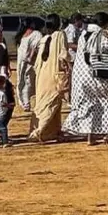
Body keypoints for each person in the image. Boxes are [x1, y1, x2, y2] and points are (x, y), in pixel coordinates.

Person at [63, 12, 108, 145]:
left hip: (80, 76)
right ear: (105, 24)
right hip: (97, 75)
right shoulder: (101, 35)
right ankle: (105, 133)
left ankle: (88, 136)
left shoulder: (83, 35)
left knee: (89, 104)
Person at [29, 14, 71, 143]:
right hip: (53, 75)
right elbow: (63, 54)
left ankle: (53, 131)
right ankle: (39, 131)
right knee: (50, 104)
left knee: (50, 104)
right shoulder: (60, 35)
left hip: (42, 76)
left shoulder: (44, 38)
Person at [15, 17, 43, 112]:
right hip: (21, 63)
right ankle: (25, 102)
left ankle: (28, 102)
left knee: (29, 81)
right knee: (22, 81)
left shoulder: (35, 34)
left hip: (30, 63)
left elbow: (36, 47)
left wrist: (31, 57)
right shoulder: (23, 35)